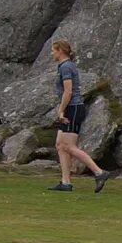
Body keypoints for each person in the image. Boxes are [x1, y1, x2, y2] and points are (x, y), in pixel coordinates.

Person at [47, 40, 107, 193]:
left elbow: (68, 91)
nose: (51, 53)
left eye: (53, 50)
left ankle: (99, 172)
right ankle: (65, 182)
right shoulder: (64, 66)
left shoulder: (66, 67)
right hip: (71, 108)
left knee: (69, 146)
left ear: (60, 50)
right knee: (60, 145)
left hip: (72, 109)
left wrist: (61, 110)